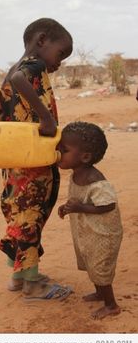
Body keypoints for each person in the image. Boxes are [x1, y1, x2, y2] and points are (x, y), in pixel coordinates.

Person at [0, 18, 73, 300]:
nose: (59, 63)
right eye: (61, 54)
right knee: (31, 218)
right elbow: (19, 81)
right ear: (42, 40)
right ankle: (33, 284)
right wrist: (45, 119)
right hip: (31, 163)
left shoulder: (14, 69)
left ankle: (19, 276)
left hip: (16, 159)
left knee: (21, 216)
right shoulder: (31, 68)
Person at [58, 121, 123, 319]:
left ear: (85, 157)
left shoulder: (95, 179)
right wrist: (68, 207)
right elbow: (78, 198)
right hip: (89, 231)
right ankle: (100, 292)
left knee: (99, 266)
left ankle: (111, 305)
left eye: (64, 150)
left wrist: (78, 208)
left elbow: (108, 205)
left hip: (103, 233)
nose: (58, 153)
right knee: (90, 262)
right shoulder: (77, 173)